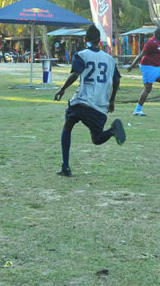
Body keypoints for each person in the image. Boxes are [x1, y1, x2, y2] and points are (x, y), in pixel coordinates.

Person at [53, 25, 126, 177]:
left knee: (67, 127)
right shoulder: (110, 59)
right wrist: (112, 100)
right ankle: (112, 131)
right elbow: (117, 80)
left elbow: (74, 75)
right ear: (100, 41)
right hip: (99, 106)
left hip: (81, 101)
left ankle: (65, 166)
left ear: (85, 40)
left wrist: (62, 89)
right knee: (97, 139)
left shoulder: (81, 55)